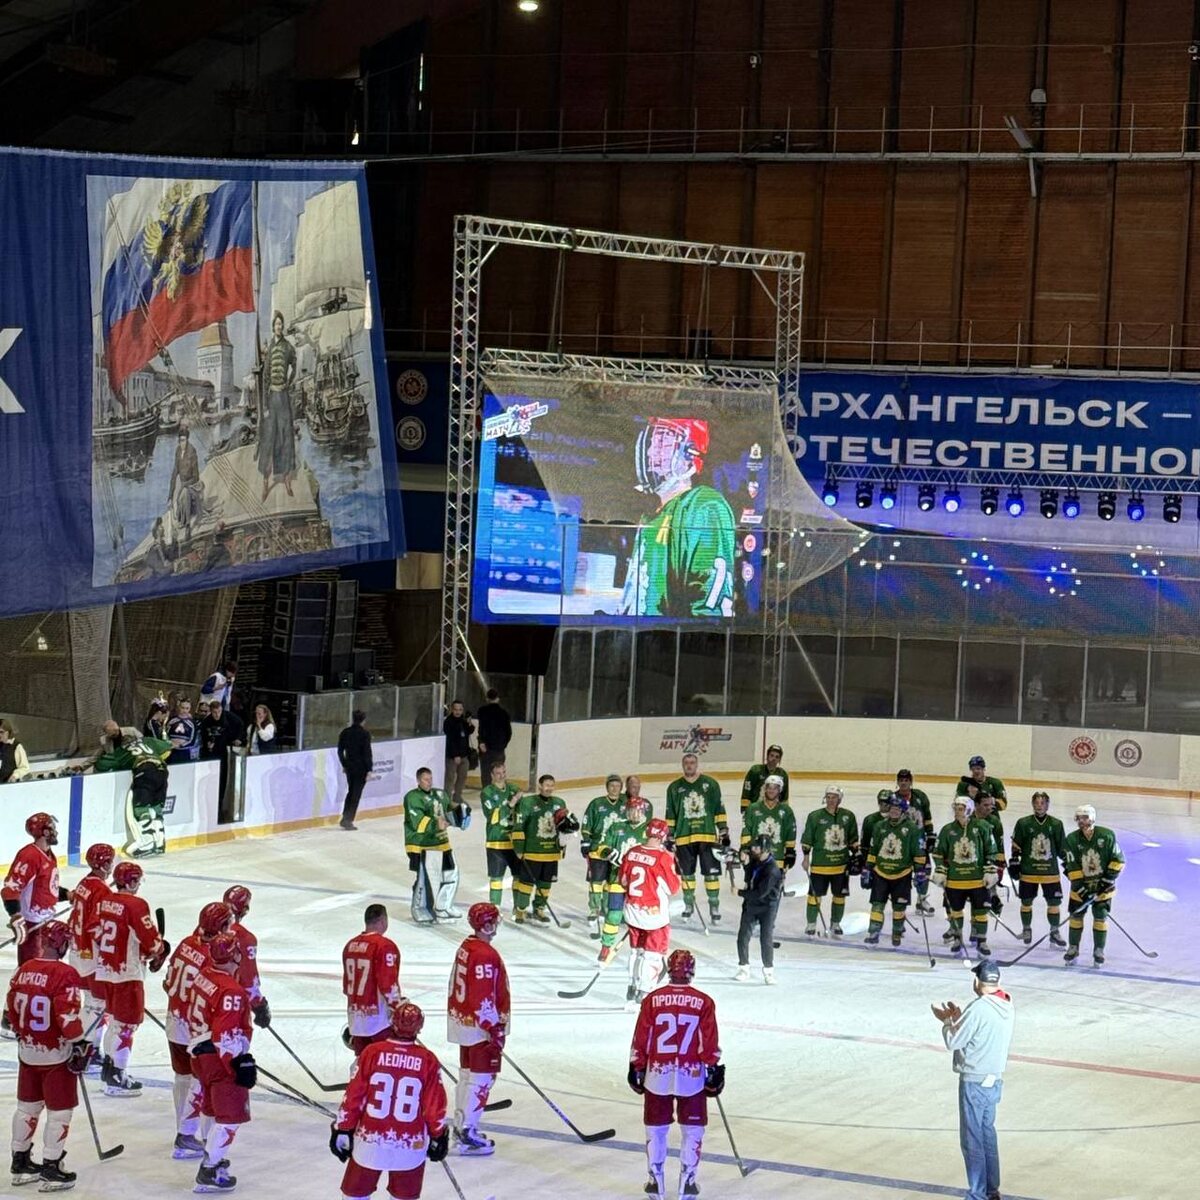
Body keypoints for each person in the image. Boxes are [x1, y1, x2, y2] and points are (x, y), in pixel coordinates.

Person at [628, 949, 723, 1198]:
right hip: (691, 1076)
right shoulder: (704, 1002)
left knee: (656, 1128)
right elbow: (708, 1042)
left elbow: (642, 1037)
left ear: (669, 969)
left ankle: (655, 1181)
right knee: (693, 1128)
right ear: (692, 971)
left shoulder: (652, 1000)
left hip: (657, 1075)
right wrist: (713, 1066)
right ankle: (687, 1182)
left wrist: (637, 1066)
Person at [619, 416, 737, 618]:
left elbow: (708, 599)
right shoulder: (650, 516)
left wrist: (698, 632)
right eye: (652, 444)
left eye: (662, 444)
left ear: (690, 454)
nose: (650, 452)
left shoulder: (703, 506)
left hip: (668, 635)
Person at [331, 1002, 448, 1200]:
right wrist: (438, 1135)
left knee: (354, 1195)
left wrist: (343, 1128)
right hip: (410, 1146)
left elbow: (354, 1096)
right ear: (419, 1027)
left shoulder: (372, 1053)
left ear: (393, 1022)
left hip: (370, 1141)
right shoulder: (428, 1060)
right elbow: (434, 1106)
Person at [5, 919, 90, 1190]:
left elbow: (10, 1012)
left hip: (27, 1051)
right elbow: (67, 1017)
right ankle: (52, 1168)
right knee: (60, 1111)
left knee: (27, 1108)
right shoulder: (65, 974)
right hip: (56, 1055)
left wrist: (23, 1033)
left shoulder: (24, 969)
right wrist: (80, 1043)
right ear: (62, 943)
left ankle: (20, 1163)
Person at [932, 959, 1014, 1200]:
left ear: (977, 981)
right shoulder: (1007, 1005)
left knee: (972, 1139)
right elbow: (977, 1032)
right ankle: (991, 1189)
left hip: (975, 1081)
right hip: (994, 1079)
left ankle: (977, 1194)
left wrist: (948, 1021)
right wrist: (961, 1019)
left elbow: (953, 1041)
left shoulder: (979, 1008)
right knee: (987, 1134)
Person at [187, 930, 258, 1194]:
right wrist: (237, 1064)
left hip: (199, 1054)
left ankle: (211, 1153)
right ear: (235, 955)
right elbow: (224, 1034)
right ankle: (210, 1168)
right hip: (218, 1058)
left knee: (211, 1109)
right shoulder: (231, 990)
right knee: (230, 1116)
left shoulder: (204, 975)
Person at [164, 901, 234, 1159]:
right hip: (196, 1031)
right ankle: (196, 1137)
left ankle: (184, 1133)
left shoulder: (186, 943)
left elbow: (167, 982)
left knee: (182, 1079)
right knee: (200, 1084)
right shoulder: (212, 956)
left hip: (174, 1022)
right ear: (223, 926)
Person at [93, 860, 169, 1096]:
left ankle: (109, 1071)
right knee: (126, 1027)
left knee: (115, 1022)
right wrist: (160, 949)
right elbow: (151, 942)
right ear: (132, 881)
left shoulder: (105, 901)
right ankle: (117, 1076)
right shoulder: (136, 905)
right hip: (127, 975)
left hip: (105, 970)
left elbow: (96, 933)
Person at [446, 903, 510, 1156]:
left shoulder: (467, 946)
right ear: (488, 925)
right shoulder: (484, 954)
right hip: (479, 1027)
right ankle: (467, 1132)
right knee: (482, 1078)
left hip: (464, 1022)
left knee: (467, 1075)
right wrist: (493, 1028)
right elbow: (483, 995)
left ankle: (461, 1127)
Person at [619, 817, 682, 1005]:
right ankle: (645, 991)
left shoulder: (632, 852)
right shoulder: (663, 858)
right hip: (654, 916)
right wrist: (674, 863)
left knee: (636, 951)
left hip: (632, 910)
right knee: (653, 954)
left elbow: (623, 881)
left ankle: (632, 985)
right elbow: (672, 888)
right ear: (663, 836)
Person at [933, 798, 1002, 956]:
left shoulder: (982, 826)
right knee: (956, 911)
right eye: (956, 808)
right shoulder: (947, 830)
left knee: (981, 912)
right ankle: (958, 939)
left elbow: (991, 850)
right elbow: (938, 853)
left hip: (977, 880)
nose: (957, 811)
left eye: (961, 808)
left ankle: (982, 941)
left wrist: (990, 870)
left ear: (969, 810)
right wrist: (941, 870)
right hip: (955, 880)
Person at [92, 721, 173, 857]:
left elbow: (102, 764)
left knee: (141, 808)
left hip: (144, 773)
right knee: (156, 807)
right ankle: (159, 842)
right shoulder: (147, 741)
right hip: (162, 771)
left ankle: (147, 842)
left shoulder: (121, 751)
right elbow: (168, 747)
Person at [665, 753, 729, 924]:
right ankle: (688, 905)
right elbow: (670, 813)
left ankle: (714, 906)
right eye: (686, 762)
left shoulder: (711, 784)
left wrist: (723, 829)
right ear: (682, 765)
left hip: (707, 836)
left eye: (692, 762)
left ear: (697, 764)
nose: (689, 765)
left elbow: (719, 809)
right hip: (683, 838)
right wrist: (670, 834)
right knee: (687, 875)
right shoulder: (674, 788)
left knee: (711, 875)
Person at [2, 813, 70, 970]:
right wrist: (16, 916)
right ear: (45, 832)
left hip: (46, 923)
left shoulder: (49, 855)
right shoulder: (30, 855)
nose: (56, 832)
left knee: (46, 970)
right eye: (52, 828)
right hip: (33, 925)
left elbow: (45, 889)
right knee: (31, 971)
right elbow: (10, 889)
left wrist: (67, 894)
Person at [67, 843, 115, 1065]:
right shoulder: (102, 891)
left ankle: (87, 1046)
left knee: (90, 1002)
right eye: (110, 861)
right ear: (104, 864)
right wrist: (112, 951)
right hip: (92, 955)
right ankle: (86, 1048)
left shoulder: (84, 883)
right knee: (99, 1004)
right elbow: (95, 927)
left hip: (77, 951)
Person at [596, 793, 656, 964]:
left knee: (642, 916)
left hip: (641, 884)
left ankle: (644, 947)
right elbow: (601, 847)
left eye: (637, 810)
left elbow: (658, 854)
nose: (633, 813)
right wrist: (608, 853)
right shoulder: (616, 827)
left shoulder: (649, 831)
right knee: (614, 915)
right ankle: (606, 946)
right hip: (617, 879)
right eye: (630, 810)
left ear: (643, 811)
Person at [1062, 804, 1125, 966]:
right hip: (1080, 889)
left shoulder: (1107, 835)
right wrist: (1081, 889)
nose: (1082, 821)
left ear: (1092, 818)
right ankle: (1073, 948)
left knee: (1100, 918)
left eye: (1085, 818)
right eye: (1079, 818)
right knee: (1076, 917)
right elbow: (1071, 866)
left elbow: (1118, 860)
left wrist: (1107, 881)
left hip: (1103, 889)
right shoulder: (1071, 839)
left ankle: (1099, 950)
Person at [511, 774, 578, 925]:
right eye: (546, 785)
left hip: (551, 853)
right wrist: (519, 849)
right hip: (532, 852)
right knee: (526, 883)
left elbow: (563, 830)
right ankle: (521, 910)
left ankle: (539, 908)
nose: (549, 788)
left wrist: (562, 847)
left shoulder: (559, 803)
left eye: (551, 785)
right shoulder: (527, 802)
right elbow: (519, 826)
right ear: (540, 786)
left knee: (546, 883)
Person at [862, 793, 926, 948]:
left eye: (897, 809)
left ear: (903, 811)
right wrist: (868, 868)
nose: (894, 811)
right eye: (892, 808)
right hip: (881, 872)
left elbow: (918, 852)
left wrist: (919, 871)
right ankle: (873, 931)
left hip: (902, 874)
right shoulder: (879, 826)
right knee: (877, 904)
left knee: (899, 907)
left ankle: (897, 931)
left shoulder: (912, 828)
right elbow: (873, 849)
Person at [404, 768, 466, 923]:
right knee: (424, 879)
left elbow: (449, 808)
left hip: (442, 843)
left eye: (430, 778)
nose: (429, 782)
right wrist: (436, 824)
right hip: (421, 845)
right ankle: (419, 908)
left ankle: (443, 906)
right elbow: (417, 822)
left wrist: (460, 813)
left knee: (451, 875)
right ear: (418, 780)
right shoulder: (412, 797)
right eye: (425, 779)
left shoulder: (440, 794)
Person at [342, 904, 404, 1055]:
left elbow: (346, 986)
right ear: (383, 920)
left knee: (363, 1061)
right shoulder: (384, 946)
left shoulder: (350, 945)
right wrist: (398, 1007)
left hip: (356, 1019)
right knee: (382, 1061)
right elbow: (388, 984)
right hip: (379, 1021)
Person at [800, 785, 859, 937]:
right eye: (828, 797)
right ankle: (811, 924)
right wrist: (806, 858)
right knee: (814, 895)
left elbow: (853, 839)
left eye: (834, 797)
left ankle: (836, 923)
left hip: (841, 866)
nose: (831, 800)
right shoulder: (815, 816)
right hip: (820, 865)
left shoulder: (848, 816)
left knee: (839, 896)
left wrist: (857, 855)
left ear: (840, 799)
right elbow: (807, 839)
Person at [1010, 790, 1067, 947]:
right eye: (1036, 803)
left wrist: (1071, 866)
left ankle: (1054, 932)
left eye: (1042, 803)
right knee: (1026, 902)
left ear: (1048, 805)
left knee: (1054, 903)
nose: (1039, 806)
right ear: (1032, 804)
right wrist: (1014, 862)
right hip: (1028, 872)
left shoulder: (1056, 824)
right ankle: (1026, 929)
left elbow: (1062, 849)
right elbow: (1016, 845)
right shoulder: (1023, 823)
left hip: (1050, 873)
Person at [734, 833, 784, 984]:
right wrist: (745, 863)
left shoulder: (772, 870)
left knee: (766, 938)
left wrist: (739, 893)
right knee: (743, 936)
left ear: (766, 850)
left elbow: (760, 893)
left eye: (756, 848)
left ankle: (768, 971)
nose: (753, 850)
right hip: (751, 904)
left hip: (767, 907)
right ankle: (744, 967)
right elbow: (749, 876)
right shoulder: (756, 861)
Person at [258, 310, 297, 500]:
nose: (279, 327)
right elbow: (266, 377)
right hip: (272, 398)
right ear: (273, 327)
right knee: (268, 439)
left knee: (287, 437)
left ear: (283, 326)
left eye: (281, 324)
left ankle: (287, 480)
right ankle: (265, 483)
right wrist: (265, 406)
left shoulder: (288, 347)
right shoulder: (270, 350)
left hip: (284, 398)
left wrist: (288, 382)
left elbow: (295, 365)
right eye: (276, 324)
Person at [581, 774, 628, 933]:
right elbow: (587, 823)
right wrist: (586, 841)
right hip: (598, 849)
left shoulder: (625, 804)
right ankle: (593, 909)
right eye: (612, 786)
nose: (615, 789)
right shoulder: (597, 804)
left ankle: (606, 909)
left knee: (610, 882)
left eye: (618, 786)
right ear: (607, 787)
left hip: (616, 851)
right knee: (596, 881)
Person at [224, 886, 271, 1028]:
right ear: (244, 909)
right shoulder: (245, 939)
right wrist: (259, 1005)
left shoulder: (207, 925)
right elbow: (248, 978)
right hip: (228, 1004)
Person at [479, 760, 523, 909]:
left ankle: (518, 908)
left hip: (514, 841)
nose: (502, 776)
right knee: (496, 877)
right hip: (496, 841)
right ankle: (495, 909)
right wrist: (510, 804)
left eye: (503, 772)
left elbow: (522, 804)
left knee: (518, 876)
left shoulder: (512, 788)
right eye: (498, 773)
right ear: (491, 775)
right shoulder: (487, 792)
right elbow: (492, 815)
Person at [739, 774, 796, 879]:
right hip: (756, 857)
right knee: (754, 886)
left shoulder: (786, 811)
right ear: (765, 789)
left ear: (780, 790)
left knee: (774, 887)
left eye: (775, 788)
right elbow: (746, 829)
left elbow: (790, 832)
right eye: (769, 787)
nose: (771, 791)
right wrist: (745, 847)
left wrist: (790, 851)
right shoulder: (753, 808)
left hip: (777, 858)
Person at [896, 768, 936, 915]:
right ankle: (899, 899)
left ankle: (921, 900)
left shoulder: (920, 797)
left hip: (919, 841)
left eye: (906, 780)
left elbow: (927, 818)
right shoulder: (894, 798)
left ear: (911, 782)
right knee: (902, 871)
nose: (904, 783)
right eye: (901, 780)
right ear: (897, 782)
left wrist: (930, 835)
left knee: (925, 869)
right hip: (901, 842)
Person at [337, 710, 373, 831]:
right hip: (361, 768)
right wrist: (369, 769)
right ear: (364, 720)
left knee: (351, 792)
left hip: (350, 767)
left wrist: (344, 764)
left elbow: (340, 751)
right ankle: (347, 819)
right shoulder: (364, 734)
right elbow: (367, 753)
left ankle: (346, 817)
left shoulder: (345, 732)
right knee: (355, 794)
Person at [168, 425, 204, 533]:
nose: (182, 443)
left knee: (185, 493)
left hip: (193, 484)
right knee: (181, 493)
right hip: (183, 484)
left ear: (187, 440)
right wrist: (170, 496)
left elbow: (196, 476)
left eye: (184, 440)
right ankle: (183, 519)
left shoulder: (192, 451)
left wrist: (185, 484)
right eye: (180, 441)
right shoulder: (178, 451)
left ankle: (188, 524)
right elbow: (174, 473)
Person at [475, 689, 511, 789]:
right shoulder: (504, 713)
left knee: (486, 774)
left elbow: (481, 729)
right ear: (498, 699)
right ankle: (500, 792)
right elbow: (508, 732)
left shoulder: (482, 711)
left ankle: (487, 793)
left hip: (485, 748)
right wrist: (503, 744)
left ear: (487, 699)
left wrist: (481, 742)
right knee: (499, 773)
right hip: (499, 748)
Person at [442, 700, 475, 809]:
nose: (458, 712)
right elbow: (450, 740)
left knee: (462, 777)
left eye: (460, 710)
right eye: (456, 709)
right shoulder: (448, 722)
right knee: (450, 778)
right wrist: (455, 754)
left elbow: (469, 731)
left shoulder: (463, 721)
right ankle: (447, 798)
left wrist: (470, 723)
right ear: (452, 709)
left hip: (464, 755)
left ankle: (457, 796)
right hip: (452, 757)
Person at [740, 744, 788, 812]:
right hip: (756, 810)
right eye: (772, 755)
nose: (774, 758)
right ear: (767, 756)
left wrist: (785, 811)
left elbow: (785, 796)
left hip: (774, 811)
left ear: (779, 759)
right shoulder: (755, 771)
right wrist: (745, 808)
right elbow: (747, 790)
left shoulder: (782, 774)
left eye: (777, 757)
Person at [167, 697, 200, 765]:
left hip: (184, 753)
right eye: (183, 708)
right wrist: (170, 744)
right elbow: (166, 735)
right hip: (172, 752)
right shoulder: (172, 721)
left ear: (190, 709)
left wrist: (180, 745)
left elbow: (192, 741)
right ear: (179, 707)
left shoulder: (192, 723)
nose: (184, 710)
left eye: (187, 708)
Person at [0, 718, 31, 782]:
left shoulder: (16, 747)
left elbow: (24, 768)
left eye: (1, 732)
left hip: (8, 784)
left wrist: (15, 775)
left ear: (8, 732)